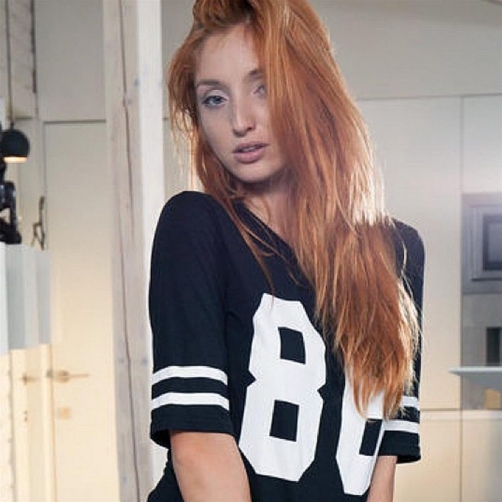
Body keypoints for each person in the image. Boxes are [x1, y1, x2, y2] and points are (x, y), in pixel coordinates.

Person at [148, 0, 425, 500]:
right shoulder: (196, 228)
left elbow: (380, 473)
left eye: (264, 87)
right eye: (215, 99)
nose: (240, 120)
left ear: (313, 89)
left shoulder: (398, 254)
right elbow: (200, 450)